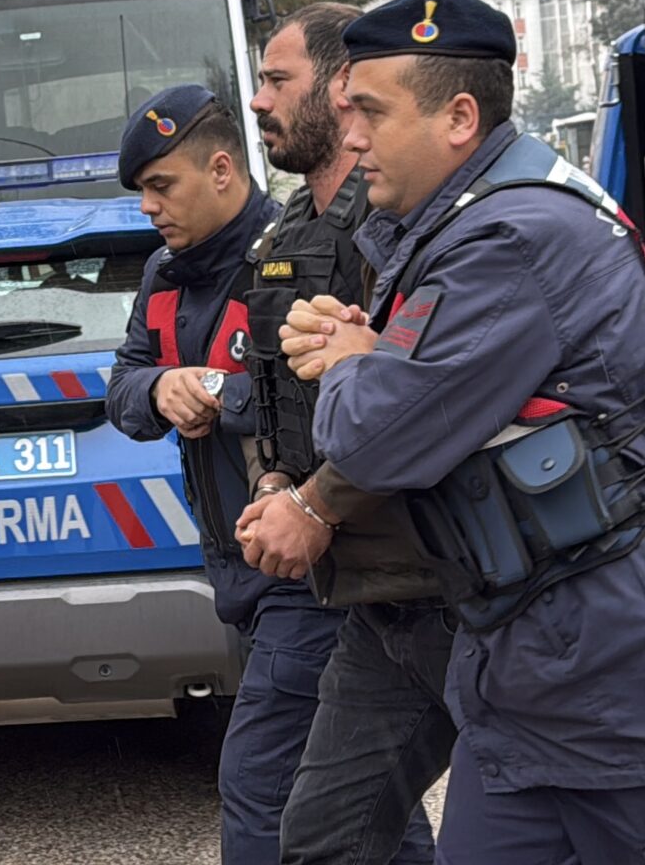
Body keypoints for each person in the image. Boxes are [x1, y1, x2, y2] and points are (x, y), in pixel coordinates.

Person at [273, 0, 645, 865]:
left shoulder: (512, 238)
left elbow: (371, 438)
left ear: (459, 118)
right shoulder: (470, 223)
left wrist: (350, 362)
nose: (350, 139)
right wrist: (371, 356)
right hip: (530, 673)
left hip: (635, 673)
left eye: (371, 113)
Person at [105, 85, 432, 865]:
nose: (149, 207)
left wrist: (220, 393)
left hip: (305, 571)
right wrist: (158, 386)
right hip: (243, 575)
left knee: (262, 784)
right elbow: (121, 388)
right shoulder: (163, 275)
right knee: (371, 802)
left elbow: (331, 402)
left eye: (162, 186)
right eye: (143, 190)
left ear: (221, 170)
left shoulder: (289, 258)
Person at [229, 5, 455, 852]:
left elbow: (423, 408)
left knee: (532, 809)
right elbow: (269, 391)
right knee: (330, 829)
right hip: (357, 588)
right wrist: (272, 481)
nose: (259, 100)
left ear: (339, 89)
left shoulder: (407, 228)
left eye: (277, 80)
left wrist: (314, 507)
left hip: (442, 578)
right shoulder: (285, 234)